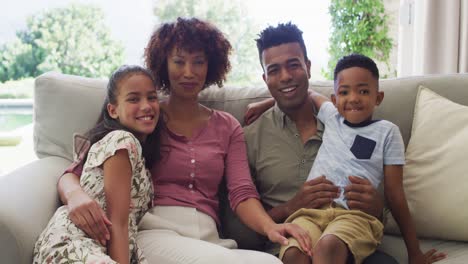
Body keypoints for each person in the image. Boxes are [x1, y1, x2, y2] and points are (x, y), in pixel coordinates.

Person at [57, 17, 311, 264]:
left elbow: (241, 192)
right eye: (179, 62)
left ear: (210, 65)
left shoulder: (227, 126)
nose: (189, 72)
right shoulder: (147, 115)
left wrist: (271, 228)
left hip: (211, 240)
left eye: (198, 62)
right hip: (155, 233)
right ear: (164, 65)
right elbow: (75, 171)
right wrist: (75, 196)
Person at [249, 53, 447, 263]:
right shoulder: (331, 117)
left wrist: (414, 251)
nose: (353, 98)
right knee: (293, 252)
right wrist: (266, 104)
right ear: (334, 100)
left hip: (354, 216)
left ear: (377, 97)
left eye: (363, 91)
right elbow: (305, 93)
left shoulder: (387, 132)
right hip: (310, 214)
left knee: (329, 246)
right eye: (344, 92)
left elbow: (395, 194)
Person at [231, 22, 393, 263]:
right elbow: (239, 232)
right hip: (290, 249)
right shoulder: (250, 138)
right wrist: (291, 207)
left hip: (350, 244)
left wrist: (377, 207)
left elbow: (383, 205)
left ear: (308, 67)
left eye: (293, 65)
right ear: (265, 78)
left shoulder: (345, 122)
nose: (285, 76)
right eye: (274, 70)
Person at [33, 65, 162, 263]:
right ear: (113, 110)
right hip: (74, 244)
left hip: (89, 246)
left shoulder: (134, 153)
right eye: (134, 99)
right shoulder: (122, 142)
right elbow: (117, 224)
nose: (146, 106)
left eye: (151, 97)